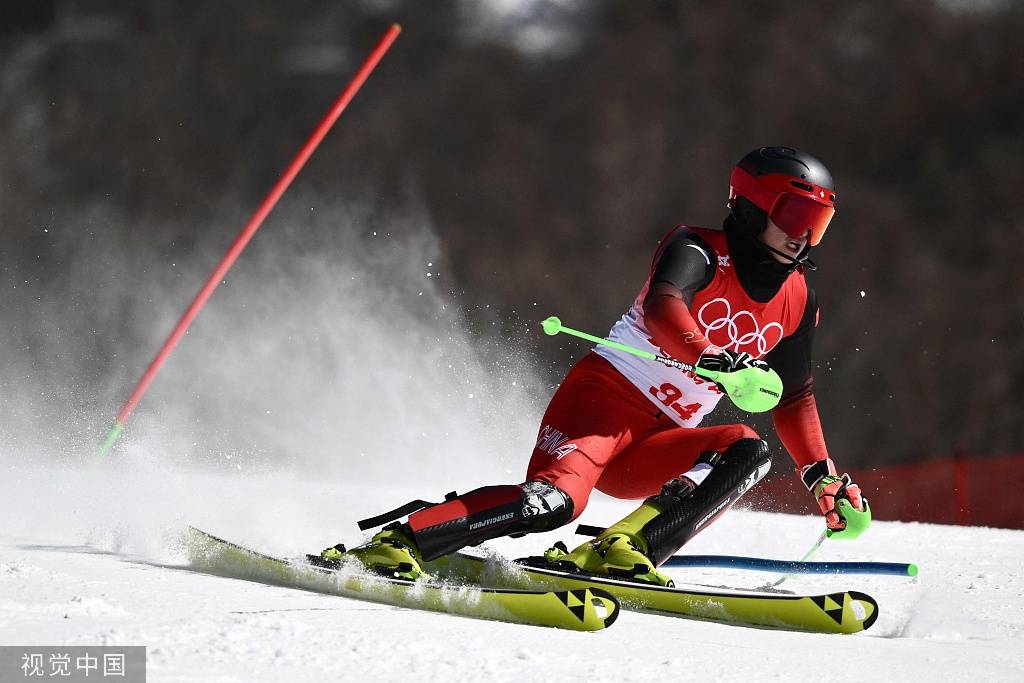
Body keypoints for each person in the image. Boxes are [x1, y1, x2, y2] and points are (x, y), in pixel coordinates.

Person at [319, 146, 870, 585]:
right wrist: (709, 355)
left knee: (748, 449)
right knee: (554, 503)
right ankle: (403, 540)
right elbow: (663, 307)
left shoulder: (800, 298)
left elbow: (796, 398)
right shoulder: (699, 249)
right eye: (795, 214)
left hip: (659, 440)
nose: (804, 235)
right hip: (601, 405)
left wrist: (822, 479)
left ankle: (624, 547)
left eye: (818, 223)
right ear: (752, 208)